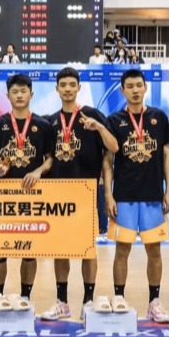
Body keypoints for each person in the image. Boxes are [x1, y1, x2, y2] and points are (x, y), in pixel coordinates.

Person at [39, 67, 117, 321]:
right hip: (58, 194)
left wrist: (99, 128)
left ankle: (88, 301)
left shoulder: (92, 115)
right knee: (60, 250)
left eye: (72, 84)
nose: (68, 89)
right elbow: (48, 159)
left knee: (87, 249)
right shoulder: (50, 121)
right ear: (57, 89)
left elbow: (114, 147)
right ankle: (62, 302)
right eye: (63, 85)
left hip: (85, 193)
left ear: (79, 88)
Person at [102, 69, 169, 324]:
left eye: (138, 85)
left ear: (145, 88)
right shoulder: (114, 120)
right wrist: (108, 195)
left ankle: (154, 302)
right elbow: (108, 161)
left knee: (154, 251)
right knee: (122, 250)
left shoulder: (159, 117)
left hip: (153, 196)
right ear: (123, 90)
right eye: (130, 86)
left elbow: (167, 154)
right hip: (124, 197)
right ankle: (119, 297)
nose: (135, 90)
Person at [0, 74, 55, 311]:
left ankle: (25, 296)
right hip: (3, 195)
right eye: (15, 91)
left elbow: (50, 159)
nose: (20, 95)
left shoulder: (43, 125)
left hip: (31, 196)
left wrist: (38, 171)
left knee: (29, 250)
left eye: (24, 91)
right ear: (8, 95)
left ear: (31, 94)